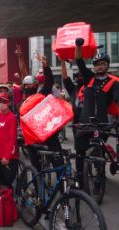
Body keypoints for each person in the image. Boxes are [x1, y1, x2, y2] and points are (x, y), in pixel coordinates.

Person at [74, 37, 119, 180]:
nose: (99, 66)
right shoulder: (89, 78)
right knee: (80, 151)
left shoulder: (114, 82)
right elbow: (79, 61)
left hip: (102, 123)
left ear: (107, 65)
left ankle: (101, 169)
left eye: (102, 64)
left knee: (98, 146)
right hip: (84, 122)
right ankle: (80, 177)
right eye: (97, 64)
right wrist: (78, 46)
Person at [19, 54, 64, 172]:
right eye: (27, 85)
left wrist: (45, 66)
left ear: (36, 86)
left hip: (48, 134)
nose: (29, 87)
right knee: (36, 169)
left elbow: (49, 82)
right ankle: (37, 186)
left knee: (59, 162)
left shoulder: (41, 94)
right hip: (32, 140)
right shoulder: (22, 104)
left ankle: (63, 184)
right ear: (23, 87)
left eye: (32, 85)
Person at [0, 92, 18, 187]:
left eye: (4, 101)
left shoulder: (12, 118)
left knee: (7, 184)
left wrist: (7, 156)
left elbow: (13, 138)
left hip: (8, 157)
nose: (1, 103)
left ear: (9, 103)